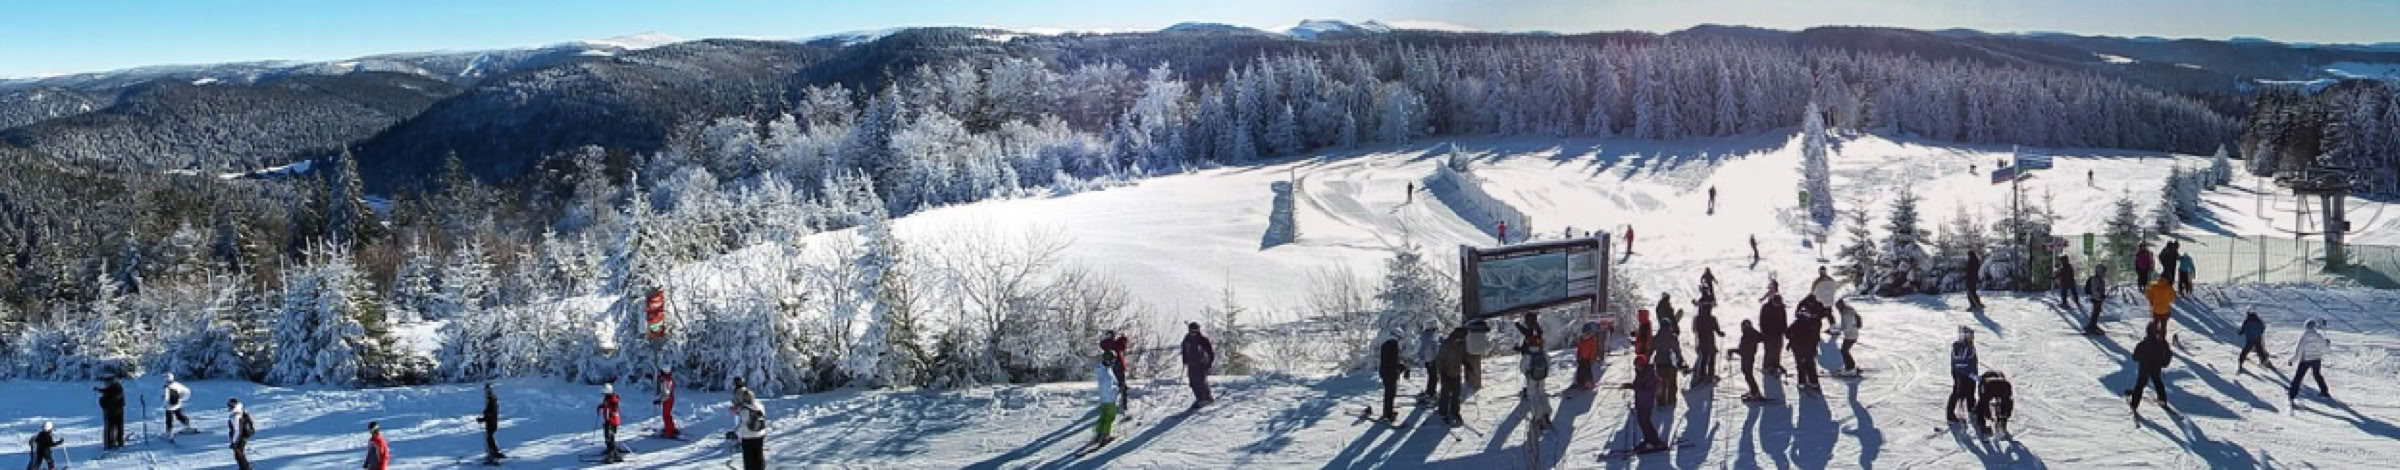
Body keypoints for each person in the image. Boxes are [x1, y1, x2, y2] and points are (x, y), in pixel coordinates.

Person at [2128, 322, 2174, 414]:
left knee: (2140, 385)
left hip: (2144, 368)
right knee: (2157, 381)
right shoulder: (2162, 343)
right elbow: (2168, 354)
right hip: (2156, 367)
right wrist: (2164, 363)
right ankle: (2162, 400)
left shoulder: (2143, 344)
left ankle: (2134, 404)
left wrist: (2139, 357)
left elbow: (2135, 357)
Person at [1629, 354, 1666, 451]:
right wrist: (1631, 386)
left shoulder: (1649, 375)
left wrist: (1636, 387)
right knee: (1642, 422)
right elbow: (1638, 385)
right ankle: (1648, 440)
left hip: (1647, 402)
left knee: (1646, 422)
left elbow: (1648, 390)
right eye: (1635, 364)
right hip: (1641, 402)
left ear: (1642, 364)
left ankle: (1655, 441)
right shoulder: (1640, 373)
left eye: (1637, 365)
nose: (1636, 367)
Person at [1788, 298, 1825, 391]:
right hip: (1809, 347)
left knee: (1800, 364)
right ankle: (1813, 382)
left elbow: (1787, 333)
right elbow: (1814, 336)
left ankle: (1802, 382)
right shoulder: (1811, 324)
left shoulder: (1795, 324)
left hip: (1797, 348)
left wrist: (1792, 339)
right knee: (1810, 364)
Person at [1434, 328, 1469, 426]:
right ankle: (1443, 412)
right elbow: (1439, 359)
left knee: (1456, 393)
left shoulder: (1462, 344)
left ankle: (1455, 411)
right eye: (1462, 336)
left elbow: (1462, 355)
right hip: (1446, 372)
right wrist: (1441, 372)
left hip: (1456, 372)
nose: (1463, 339)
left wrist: (1466, 363)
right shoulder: (1446, 344)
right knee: (1445, 393)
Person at [2290, 319, 2332, 400]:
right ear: (2314, 327)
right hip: (2316, 360)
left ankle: (2292, 395)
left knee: (2298, 377)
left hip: (2305, 360)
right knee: (2317, 375)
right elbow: (2326, 350)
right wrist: (2327, 344)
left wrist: (2292, 360)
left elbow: (2298, 351)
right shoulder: (2319, 337)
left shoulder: (2304, 337)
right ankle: (2324, 392)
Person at [732, 378, 768, 470]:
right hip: (760, 434)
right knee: (759, 456)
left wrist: (735, 433)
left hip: (748, 437)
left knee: (749, 460)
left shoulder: (744, 410)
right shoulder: (759, 406)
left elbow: (743, 425)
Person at [1180, 323, 1217, 409]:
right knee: (1193, 383)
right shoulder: (1186, 339)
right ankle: (1199, 398)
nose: (1193, 333)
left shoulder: (1203, 340)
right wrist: (1184, 360)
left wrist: (1209, 363)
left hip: (1201, 364)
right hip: (1191, 364)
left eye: (1195, 331)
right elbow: (1184, 350)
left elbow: (1210, 353)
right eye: (1191, 331)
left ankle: (1207, 398)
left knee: (1201, 382)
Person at [1946, 328, 1979, 424]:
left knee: (1971, 390)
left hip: (1969, 373)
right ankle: (1950, 415)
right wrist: (1971, 374)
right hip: (1961, 374)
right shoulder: (1960, 347)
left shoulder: (1969, 346)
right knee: (1958, 392)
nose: (1972, 338)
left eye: (1972, 336)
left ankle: (1971, 408)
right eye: (1969, 336)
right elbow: (1960, 364)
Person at [1691, 300, 1725, 384]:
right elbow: (1717, 330)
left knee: (1704, 358)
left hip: (1702, 340)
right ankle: (1710, 375)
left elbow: (1694, 330)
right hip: (1710, 341)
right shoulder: (1712, 318)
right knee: (1711, 358)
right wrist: (1721, 334)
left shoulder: (1698, 319)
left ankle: (1702, 376)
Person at [1975, 371, 2014, 437]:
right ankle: (2003, 418)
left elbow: (1981, 398)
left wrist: (1986, 413)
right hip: (2005, 386)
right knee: (2006, 402)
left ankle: (1981, 422)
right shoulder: (2004, 380)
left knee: (1983, 403)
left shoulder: (1983, 380)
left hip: (1988, 385)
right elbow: (2009, 398)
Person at [1377, 335, 1407, 420]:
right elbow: (1393, 363)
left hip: (1385, 373)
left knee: (1388, 394)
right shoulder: (1393, 347)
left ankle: (1387, 412)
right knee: (1390, 394)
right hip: (1390, 374)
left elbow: (1391, 362)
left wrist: (1400, 366)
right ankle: (1388, 414)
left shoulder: (1385, 346)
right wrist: (1400, 368)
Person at [1101, 331, 1132, 411]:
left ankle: (1112, 402)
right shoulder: (1116, 344)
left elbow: (1102, 345)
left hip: (1110, 367)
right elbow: (1122, 346)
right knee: (1122, 385)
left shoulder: (1104, 344)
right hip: (1118, 365)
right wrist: (1123, 338)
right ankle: (1124, 406)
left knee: (1114, 385)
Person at [1735, 320, 1766, 400]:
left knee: (1748, 374)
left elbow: (1742, 350)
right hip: (1750, 356)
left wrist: (1732, 351)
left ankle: (1755, 392)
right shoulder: (1753, 334)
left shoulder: (1746, 336)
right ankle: (1754, 391)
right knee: (1748, 374)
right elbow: (1761, 338)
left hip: (1747, 357)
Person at [1093, 355, 1120, 443]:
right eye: (1112, 360)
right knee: (1109, 417)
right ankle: (1105, 436)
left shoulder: (1103, 370)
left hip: (1104, 399)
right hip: (1109, 399)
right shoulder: (1106, 374)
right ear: (1108, 361)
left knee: (1103, 416)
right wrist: (1117, 389)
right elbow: (1108, 388)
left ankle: (1099, 434)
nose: (1113, 362)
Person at [93, 375, 125, 450]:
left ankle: (113, 443)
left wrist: (102, 400)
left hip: (114, 411)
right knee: (115, 427)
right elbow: (107, 391)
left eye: (106, 383)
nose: (105, 384)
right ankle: (115, 442)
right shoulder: (115, 387)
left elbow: (111, 396)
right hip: (115, 410)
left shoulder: (117, 388)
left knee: (114, 427)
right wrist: (99, 390)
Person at [1760, 295, 1788, 376]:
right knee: (1769, 350)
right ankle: (1767, 366)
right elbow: (1762, 321)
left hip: (1779, 333)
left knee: (1778, 349)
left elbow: (1784, 320)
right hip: (1768, 334)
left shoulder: (1781, 308)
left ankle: (1776, 364)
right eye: (1776, 304)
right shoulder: (1766, 308)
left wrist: (1785, 330)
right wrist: (1764, 332)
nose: (1777, 305)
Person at [597, 383, 624, 463]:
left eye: (605, 392)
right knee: (608, 437)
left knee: (609, 437)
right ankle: (613, 453)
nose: (603, 394)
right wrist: (601, 406)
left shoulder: (613, 399)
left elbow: (614, 409)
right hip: (608, 420)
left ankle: (611, 456)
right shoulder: (607, 397)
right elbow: (606, 405)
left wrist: (608, 409)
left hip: (612, 421)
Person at [477, 383, 504, 463]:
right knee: (490, 438)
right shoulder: (492, 399)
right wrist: (484, 417)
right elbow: (490, 412)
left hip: (491, 423)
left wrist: (483, 419)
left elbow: (491, 413)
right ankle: (495, 453)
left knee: (489, 439)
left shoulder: (492, 400)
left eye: (487, 391)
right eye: (486, 390)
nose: (486, 392)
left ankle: (492, 456)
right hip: (492, 422)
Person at [1834, 300, 1863, 374]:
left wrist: (1837, 331)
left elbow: (1847, 327)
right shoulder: (1848, 311)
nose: (1837, 309)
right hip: (1852, 334)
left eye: (1837, 307)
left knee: (1844, 351)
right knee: (1844, 350)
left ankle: (1850, 367)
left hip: (1851, 335)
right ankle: (1850, 366)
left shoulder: (1846, 314)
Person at [227, 398, 255, 470]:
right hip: (244, 434)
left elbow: (237, 430)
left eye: (230, 405)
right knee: (240, 452)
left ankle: (245, 468)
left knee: (238, 453)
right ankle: (244, 467)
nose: (229, 407)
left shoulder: (235, 415)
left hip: (240, 436)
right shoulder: (241, 411)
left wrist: (234, 442)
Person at [165, 373, 194, 439]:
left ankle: (169, 432)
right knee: (179, 415)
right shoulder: (177, 385)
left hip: (170, 406)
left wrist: (181, 398)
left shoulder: (168, 387)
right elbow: (187, 392)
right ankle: (187, 426)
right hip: (177, 404)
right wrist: (182, 398)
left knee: (170, 418)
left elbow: (165, 398)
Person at [1574, 323, 1601, 391]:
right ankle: (1580, 382)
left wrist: (1592, 359)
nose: (1585, 334)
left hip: (1588, 359)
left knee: (1587, 371)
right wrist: (1578, 356)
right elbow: (1579, 349)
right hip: (1582, 358)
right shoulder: (1581, 339)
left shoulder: (1592, 340)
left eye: (1587, 333)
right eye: (1584, 332)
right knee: (1580, 370)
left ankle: (1588, 383)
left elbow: (1593, 350)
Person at [1417, 326, 1441, 402]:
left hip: (1429, 361)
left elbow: (1422, 351)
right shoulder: (1430, 338)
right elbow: (1431, 350)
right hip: (1431, 360)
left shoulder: (1425, 338)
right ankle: (1431, 392)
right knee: (1433, 377)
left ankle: (1430, 391)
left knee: (1432, 376)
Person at [655, 367, 679, 440]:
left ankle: (669, 432)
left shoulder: (665, 381)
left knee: (666, 416)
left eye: (660, 374)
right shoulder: (668, 379)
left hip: (667, 400)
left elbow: (666, 393)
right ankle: (671, 428)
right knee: (668, 415)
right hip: (670, 399)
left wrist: (660, 400)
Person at [2084, 265, 2109, 334]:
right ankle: (2091, 327)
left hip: (2098, 298)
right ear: (2099, 271)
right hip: (2096, 298)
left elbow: (2100, 289)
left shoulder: (2100, 279)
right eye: (2103, 271)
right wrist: (2100, 295)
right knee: (2095, 313)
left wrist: (2102, 295)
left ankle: (2092, 325)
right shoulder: (2095, 279)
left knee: (2096, 313)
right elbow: (2094, 289)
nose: (2104, 273)